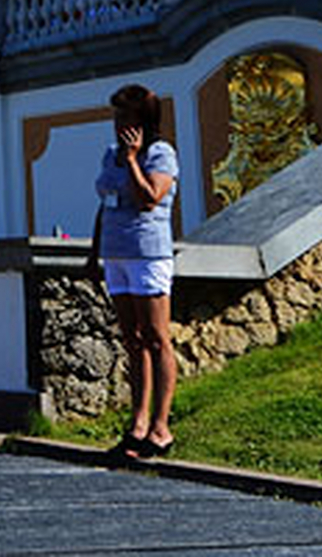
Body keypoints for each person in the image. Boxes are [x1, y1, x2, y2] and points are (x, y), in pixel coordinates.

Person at [94, 83, 179, 460]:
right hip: (116, 254)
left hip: (147, 254)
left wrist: (132, 160)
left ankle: (161, 428)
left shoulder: (161, 154)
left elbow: (149, 199)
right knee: (132, 340)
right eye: (116, 117)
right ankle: (138, 423)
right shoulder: (110, 155)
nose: (118, 124)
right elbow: (106, 205)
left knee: (157, 338)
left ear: (142, 121)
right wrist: (93, 252)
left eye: (125, 117)